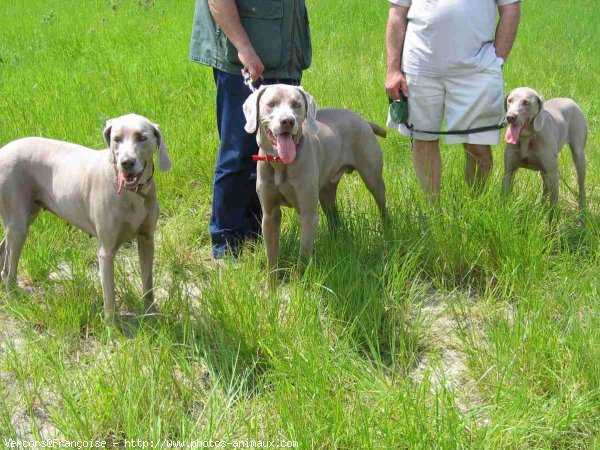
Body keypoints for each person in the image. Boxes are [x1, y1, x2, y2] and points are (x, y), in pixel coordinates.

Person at [190, 0, 312, 258]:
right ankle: (226, 246)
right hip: (244, 60)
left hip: (283, 56)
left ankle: (254, 235)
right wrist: (244, 49)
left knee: (273, 154)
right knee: (239, 152)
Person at [385, 0, 521, 202]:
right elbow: (397, 13)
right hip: (420, 66)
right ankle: (434, 215)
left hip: (477, 69)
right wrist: (393, 70)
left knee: (478, 147)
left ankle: (476, 208)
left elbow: (511, 8)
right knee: (423, 141)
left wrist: (497, 60)